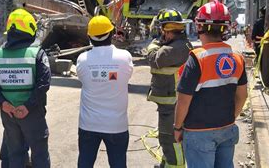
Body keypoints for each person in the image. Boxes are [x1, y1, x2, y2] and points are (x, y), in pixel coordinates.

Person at [174, 0, 248, 168]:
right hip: (227, 128)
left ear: (199, 26)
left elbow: (183, 101)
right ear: (226, 27)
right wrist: (231, 117)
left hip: (198, 132)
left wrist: (178, 128)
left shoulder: (197, 58)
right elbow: (242, 96)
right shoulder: (237, 58)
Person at [0, 8, 51, 168]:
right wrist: (27, 106)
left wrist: (3, 103)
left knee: (15, 153)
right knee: (39, 153)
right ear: (29, 27)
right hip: (32, 112)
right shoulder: (37, 53)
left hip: (8, 114)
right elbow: (44, 84)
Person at [76, 15, 133, 168]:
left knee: (85, 163)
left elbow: (83, 79)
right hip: (116, 125)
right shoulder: (125, 57)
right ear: (112, 33)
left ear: (89, 36)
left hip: (89, 124)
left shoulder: (82, 59)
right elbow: (126, 77)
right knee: (118, 164)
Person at [145, 9, 192, 168]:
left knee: (169, 139)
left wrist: (154, 41)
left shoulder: (175, 48)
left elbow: (153, 59)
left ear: (166, 30)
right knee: (166, 139)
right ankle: (166, 163)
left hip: (172, 103)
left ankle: (174, 165)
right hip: (170, 102)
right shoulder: (179, 44)